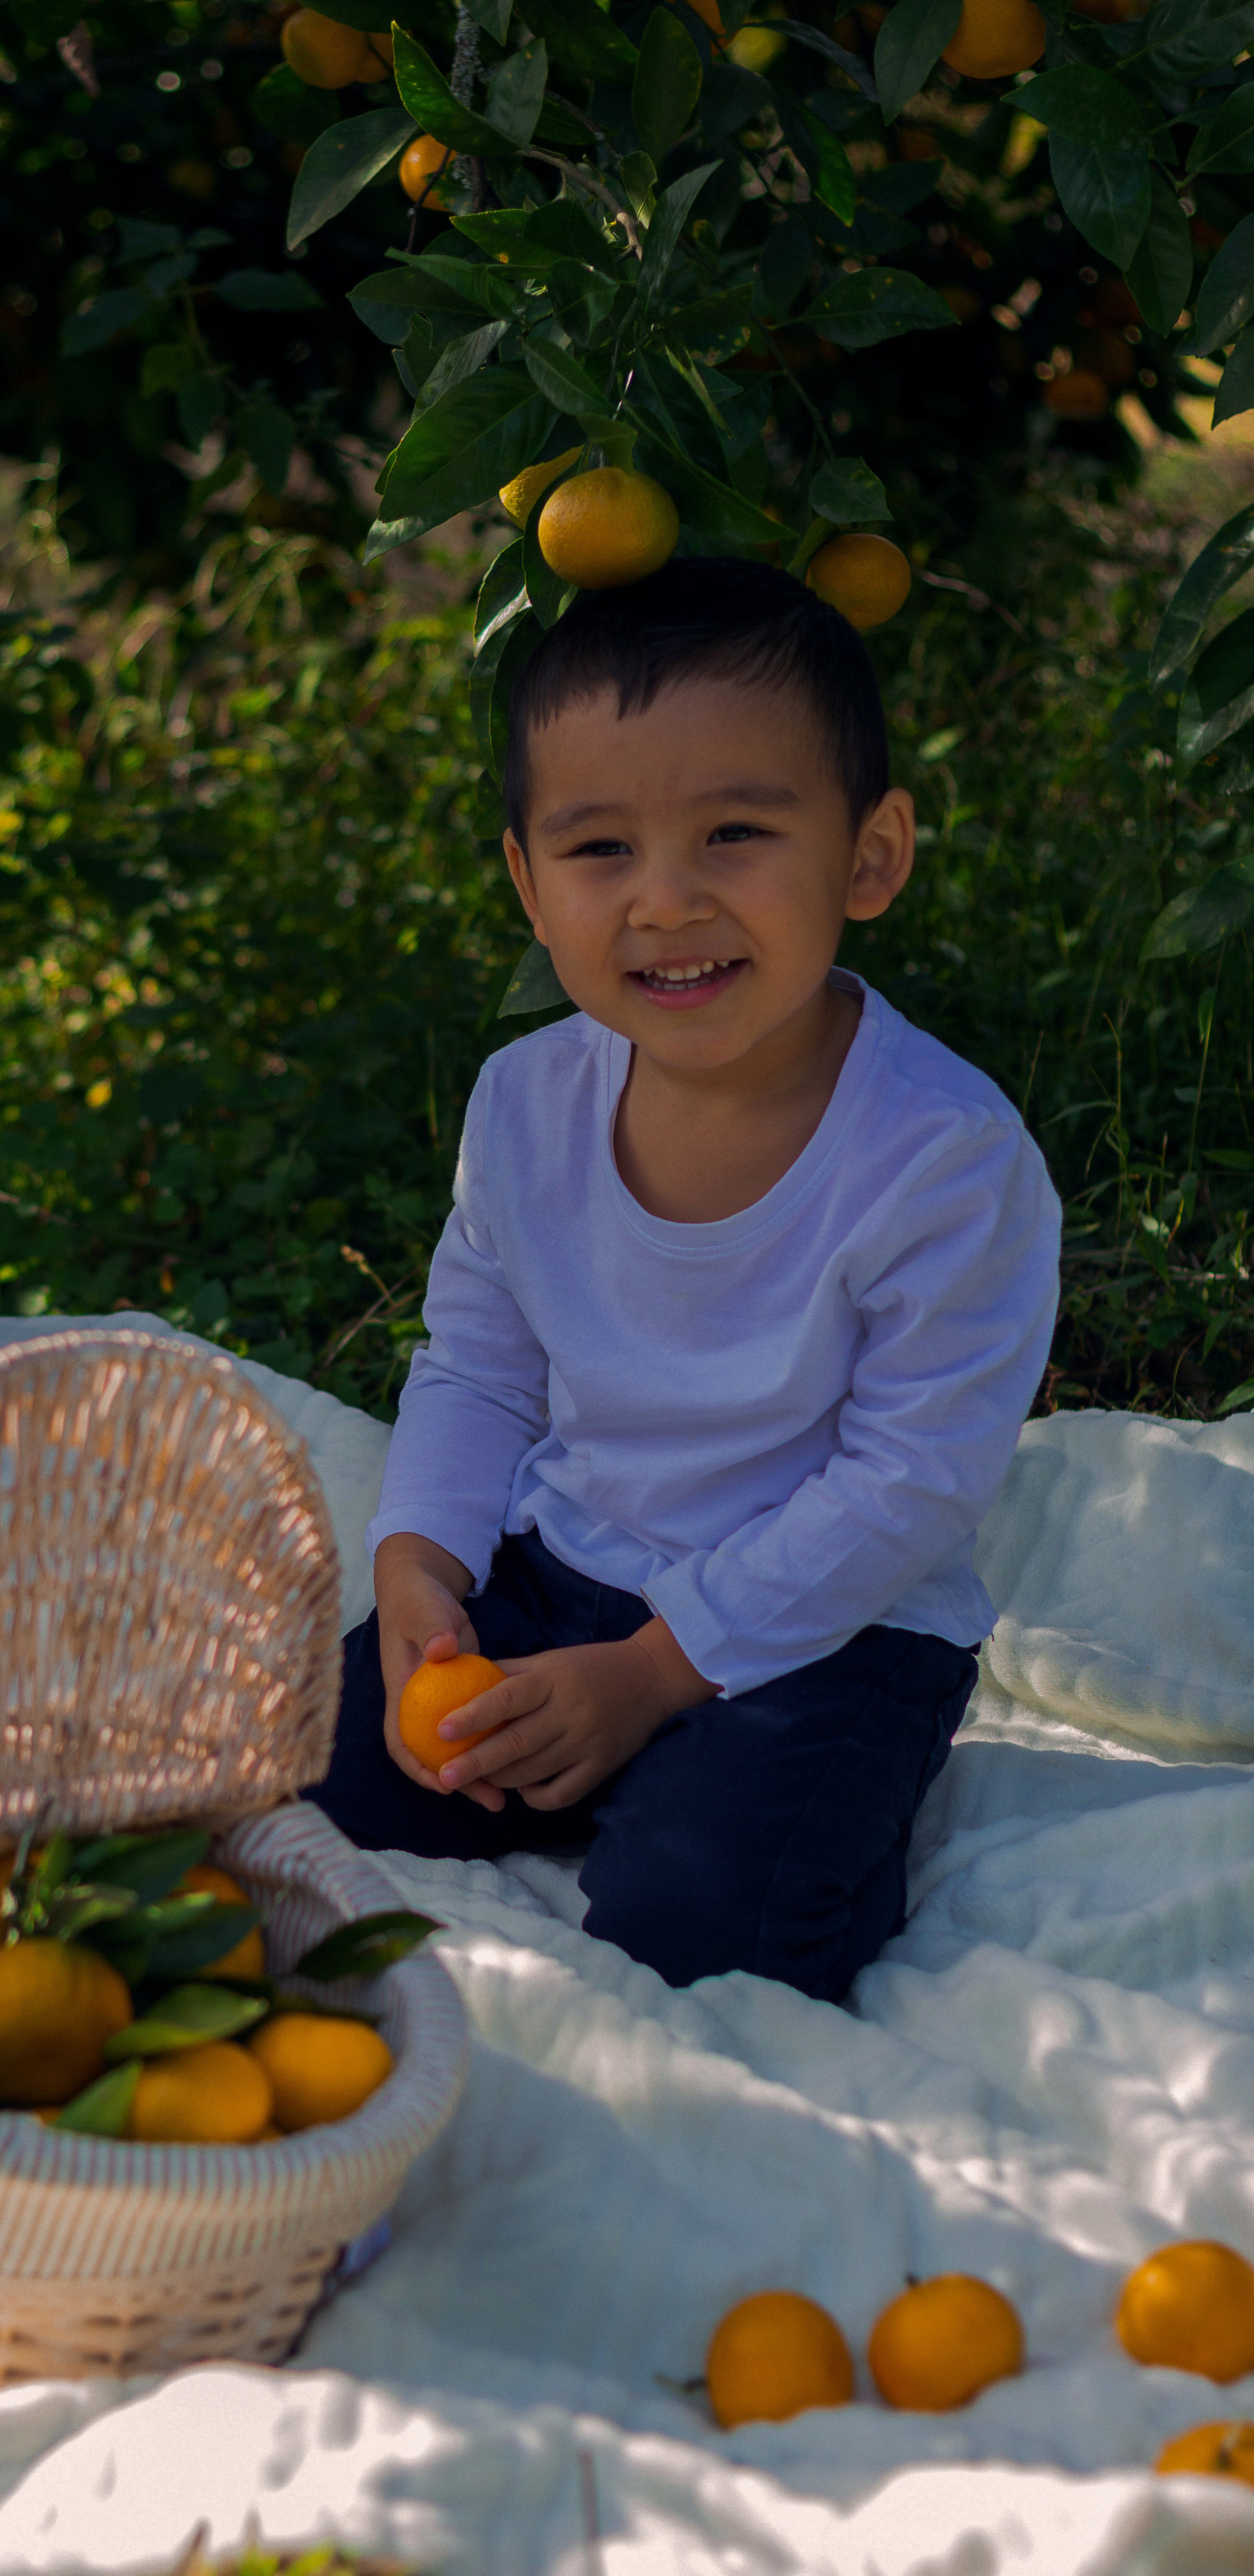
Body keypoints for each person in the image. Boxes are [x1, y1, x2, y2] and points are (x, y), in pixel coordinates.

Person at [307, 555, 1061, 2002]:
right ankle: (583, 1753)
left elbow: (905, 1486)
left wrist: (655, 1677)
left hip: (826, 1628)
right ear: (526, 881)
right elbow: (476, 1363)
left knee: (700, 1918)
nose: (664, 902)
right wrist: (421, 1570)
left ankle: (706, 1791)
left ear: (867, 856)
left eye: (732, 834)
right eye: (598, 851)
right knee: (299, 1760)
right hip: (564, 1570)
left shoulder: (941, 1159)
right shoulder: (524, 1105)